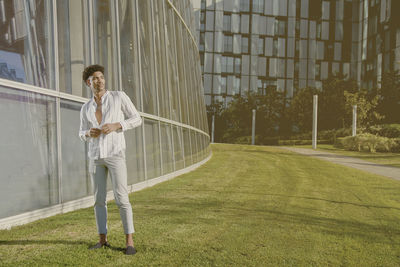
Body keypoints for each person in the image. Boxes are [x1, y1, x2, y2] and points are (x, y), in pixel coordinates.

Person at [79, 64, 142, 255]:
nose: (100, 80)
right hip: (96, 157)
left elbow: (137, 118)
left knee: (121, 198)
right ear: (88, 82)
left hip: (115, 154)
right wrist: (88, 133)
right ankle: (102, 239)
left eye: (102, 77)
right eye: (95, 78)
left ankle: (129, 241)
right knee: (98, 200)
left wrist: (117, 125)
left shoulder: (118, 97)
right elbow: (80, 132)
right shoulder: (86, 107)